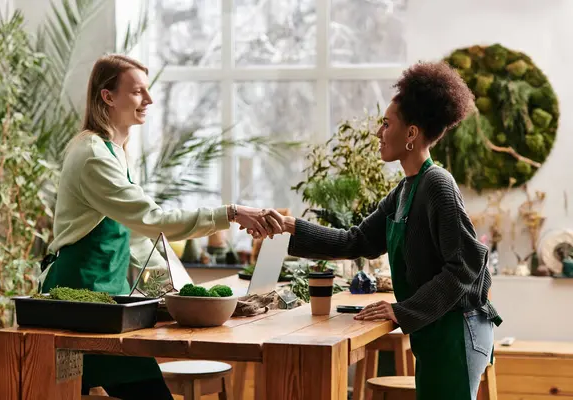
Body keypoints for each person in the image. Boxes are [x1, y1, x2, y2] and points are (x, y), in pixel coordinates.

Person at [38, 54, 284, 400]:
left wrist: (180, 290)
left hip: (103, 303)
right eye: (138, 92)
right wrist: (228, 213)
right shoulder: (93, 154)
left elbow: (138, 236)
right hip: (80, 301)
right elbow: (152, 220)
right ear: (108, 97)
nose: (149, 100)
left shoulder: (113, 151)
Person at [252, 61, 503, 399]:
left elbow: (466, 266)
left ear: (411, 133)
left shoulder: (438, 185)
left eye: (386, 124)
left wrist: (401, 311)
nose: (378, 133)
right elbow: (357, 240)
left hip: (458, 329)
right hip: (437, 328)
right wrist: (288, 227)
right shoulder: (404, 190)